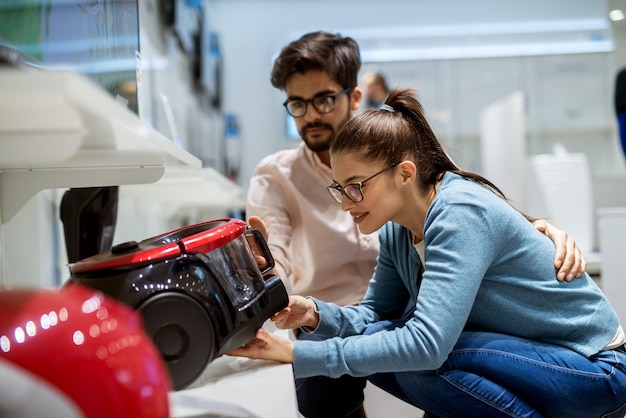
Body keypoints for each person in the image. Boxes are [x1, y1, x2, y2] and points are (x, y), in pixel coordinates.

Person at [246, 31, 588, 418]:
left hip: (437, 328)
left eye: (323, 100)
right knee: (387, 350)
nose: (311, 115)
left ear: (354, 97)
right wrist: (295, 301)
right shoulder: (288, 180)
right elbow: (294, 272)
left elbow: (469, 213)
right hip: (382, 322)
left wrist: (541, 229)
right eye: (297, 103)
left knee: (420, 354)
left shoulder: (419, 179)